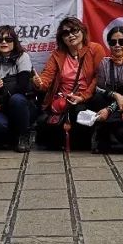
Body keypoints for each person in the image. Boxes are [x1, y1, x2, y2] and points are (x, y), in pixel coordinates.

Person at [32, 17, 106, 149]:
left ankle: (91, 138)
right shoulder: (57, 54)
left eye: (74, 30)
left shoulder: (95, 49)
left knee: (81, 109)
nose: (71, 35)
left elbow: (99, 77)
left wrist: (83, 97)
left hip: (88, 97)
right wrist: (39, 82)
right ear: (62, 38)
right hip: (64, 100)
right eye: (65, 33)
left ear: (82, 31)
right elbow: (46, 79)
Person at [0, 25, 35, 151]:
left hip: (22, 105)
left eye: (8, 39)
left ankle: (24, 134)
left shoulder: (23, 56)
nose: (4, 42)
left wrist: (0, 100)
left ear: (15, 41)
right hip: (1, 108)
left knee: (17, 99)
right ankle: (11, 137)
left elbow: (22, 86)